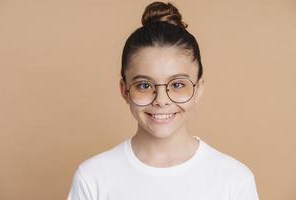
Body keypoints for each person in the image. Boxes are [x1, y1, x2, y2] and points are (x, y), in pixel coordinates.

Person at [67, 1, 260, 200]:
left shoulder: (235, 180)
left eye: (177, 85)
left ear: (198, 88)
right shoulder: (93, 178)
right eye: (144, 85)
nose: (161, 100)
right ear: (125, 90)